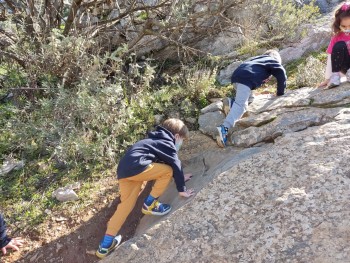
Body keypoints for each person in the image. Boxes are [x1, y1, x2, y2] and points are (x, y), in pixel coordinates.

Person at [96, 118, 195, 258]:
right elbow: (175, 164)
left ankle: (105, 246)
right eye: (182, 140)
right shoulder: (168, 142)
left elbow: (159, 165)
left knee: (126, 205)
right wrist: (182, 188)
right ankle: (150, 204)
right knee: (168, 170)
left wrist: (180, 176)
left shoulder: (154, 139)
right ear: (177, 136)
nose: (181, 143)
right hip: (138, 168)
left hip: (124, 171)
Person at [216, 50, 287, 148]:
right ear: (276, 59)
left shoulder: (257, 59)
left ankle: (231, 102)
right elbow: (281, 73)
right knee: (241, 106)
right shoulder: (272, 60)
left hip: (237, 77)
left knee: (250, 98)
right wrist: (280, 93)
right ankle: (224, 128)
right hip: (246, 79)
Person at [319, 2, 350, 88]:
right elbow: (331, 57)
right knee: (339, 45)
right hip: (345, 67)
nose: (347, 29)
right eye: (344, 26)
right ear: (338, 24)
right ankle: (335, 77)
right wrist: (327, 79)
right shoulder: (337, 36)